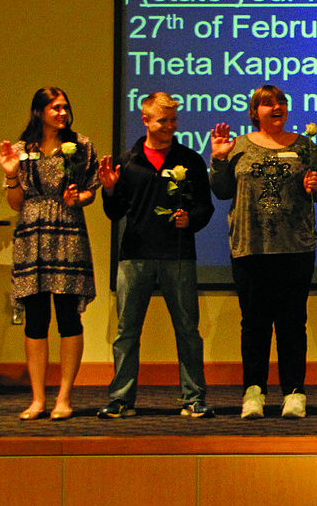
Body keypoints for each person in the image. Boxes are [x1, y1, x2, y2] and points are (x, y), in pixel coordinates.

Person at [209, 85, 317, 419]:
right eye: (267, 104)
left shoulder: (305, 146)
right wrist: (219, 159)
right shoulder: (239, 147)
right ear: (255, 111)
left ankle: (294, 392)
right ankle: (254, 393)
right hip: (251, 247)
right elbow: (221, 191)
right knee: (254, 323)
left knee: (292, 322)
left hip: (295, 247)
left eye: (280, 102)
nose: (275, 107)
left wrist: (314, 184)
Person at [96, 92, 216, 419]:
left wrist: (190, 219)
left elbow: (205, 206)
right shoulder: (128, 161)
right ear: (146, 120)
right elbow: (114, 211)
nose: (170, 126)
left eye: (174, 120)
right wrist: (109, 189)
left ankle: (194, 399)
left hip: (178, 254)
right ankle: (121, 399)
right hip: (134, 255)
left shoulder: (189, 160)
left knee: (188, 330)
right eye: (163, 120)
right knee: (127, 332)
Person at [0, 87, 98, 420]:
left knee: (68, 317)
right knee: (36, 319)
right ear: (39, 112)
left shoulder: (81, 146)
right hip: (32, 236)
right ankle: (38, 399)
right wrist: (11, 174)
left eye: (65, 107)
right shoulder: (21, 150)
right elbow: (15, 203)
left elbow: (89, 193)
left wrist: (77, 198)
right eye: (55, 107)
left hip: (68, 233)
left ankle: (64, 397)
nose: (62, 112)